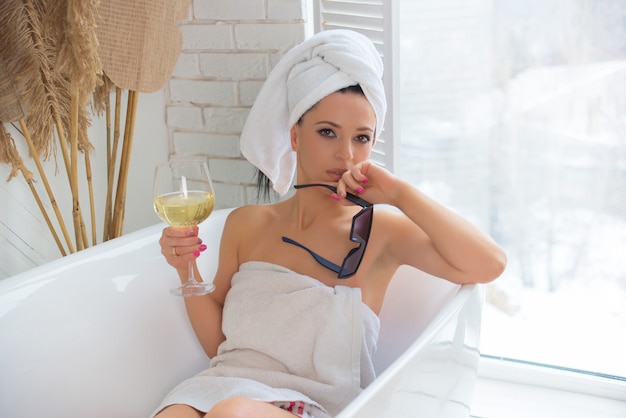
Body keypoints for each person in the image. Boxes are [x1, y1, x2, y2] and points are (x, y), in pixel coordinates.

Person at [153, 30, 506, 418]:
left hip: (313, 407)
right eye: (327, 132)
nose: (346, 154)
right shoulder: (246, 224)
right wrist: (185, 267)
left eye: (362, 138)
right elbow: (219, 345)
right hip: (221, 387)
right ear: (295, 135)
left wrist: (400, 194)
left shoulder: (381, 233)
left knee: (232, 414)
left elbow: (489, 264)